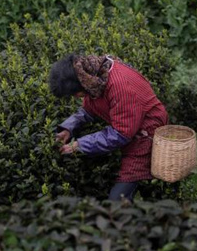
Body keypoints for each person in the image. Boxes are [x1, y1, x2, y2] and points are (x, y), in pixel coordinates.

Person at [48, 53, 168, 201]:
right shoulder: (94, 77)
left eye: (74, 94)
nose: (75, 97)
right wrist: (67, 128)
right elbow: (89, 109)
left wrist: (79, 145)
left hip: (146, 135)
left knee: (117, 199)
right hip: (130, 127)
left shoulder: (120, 87)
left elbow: (121, 133)